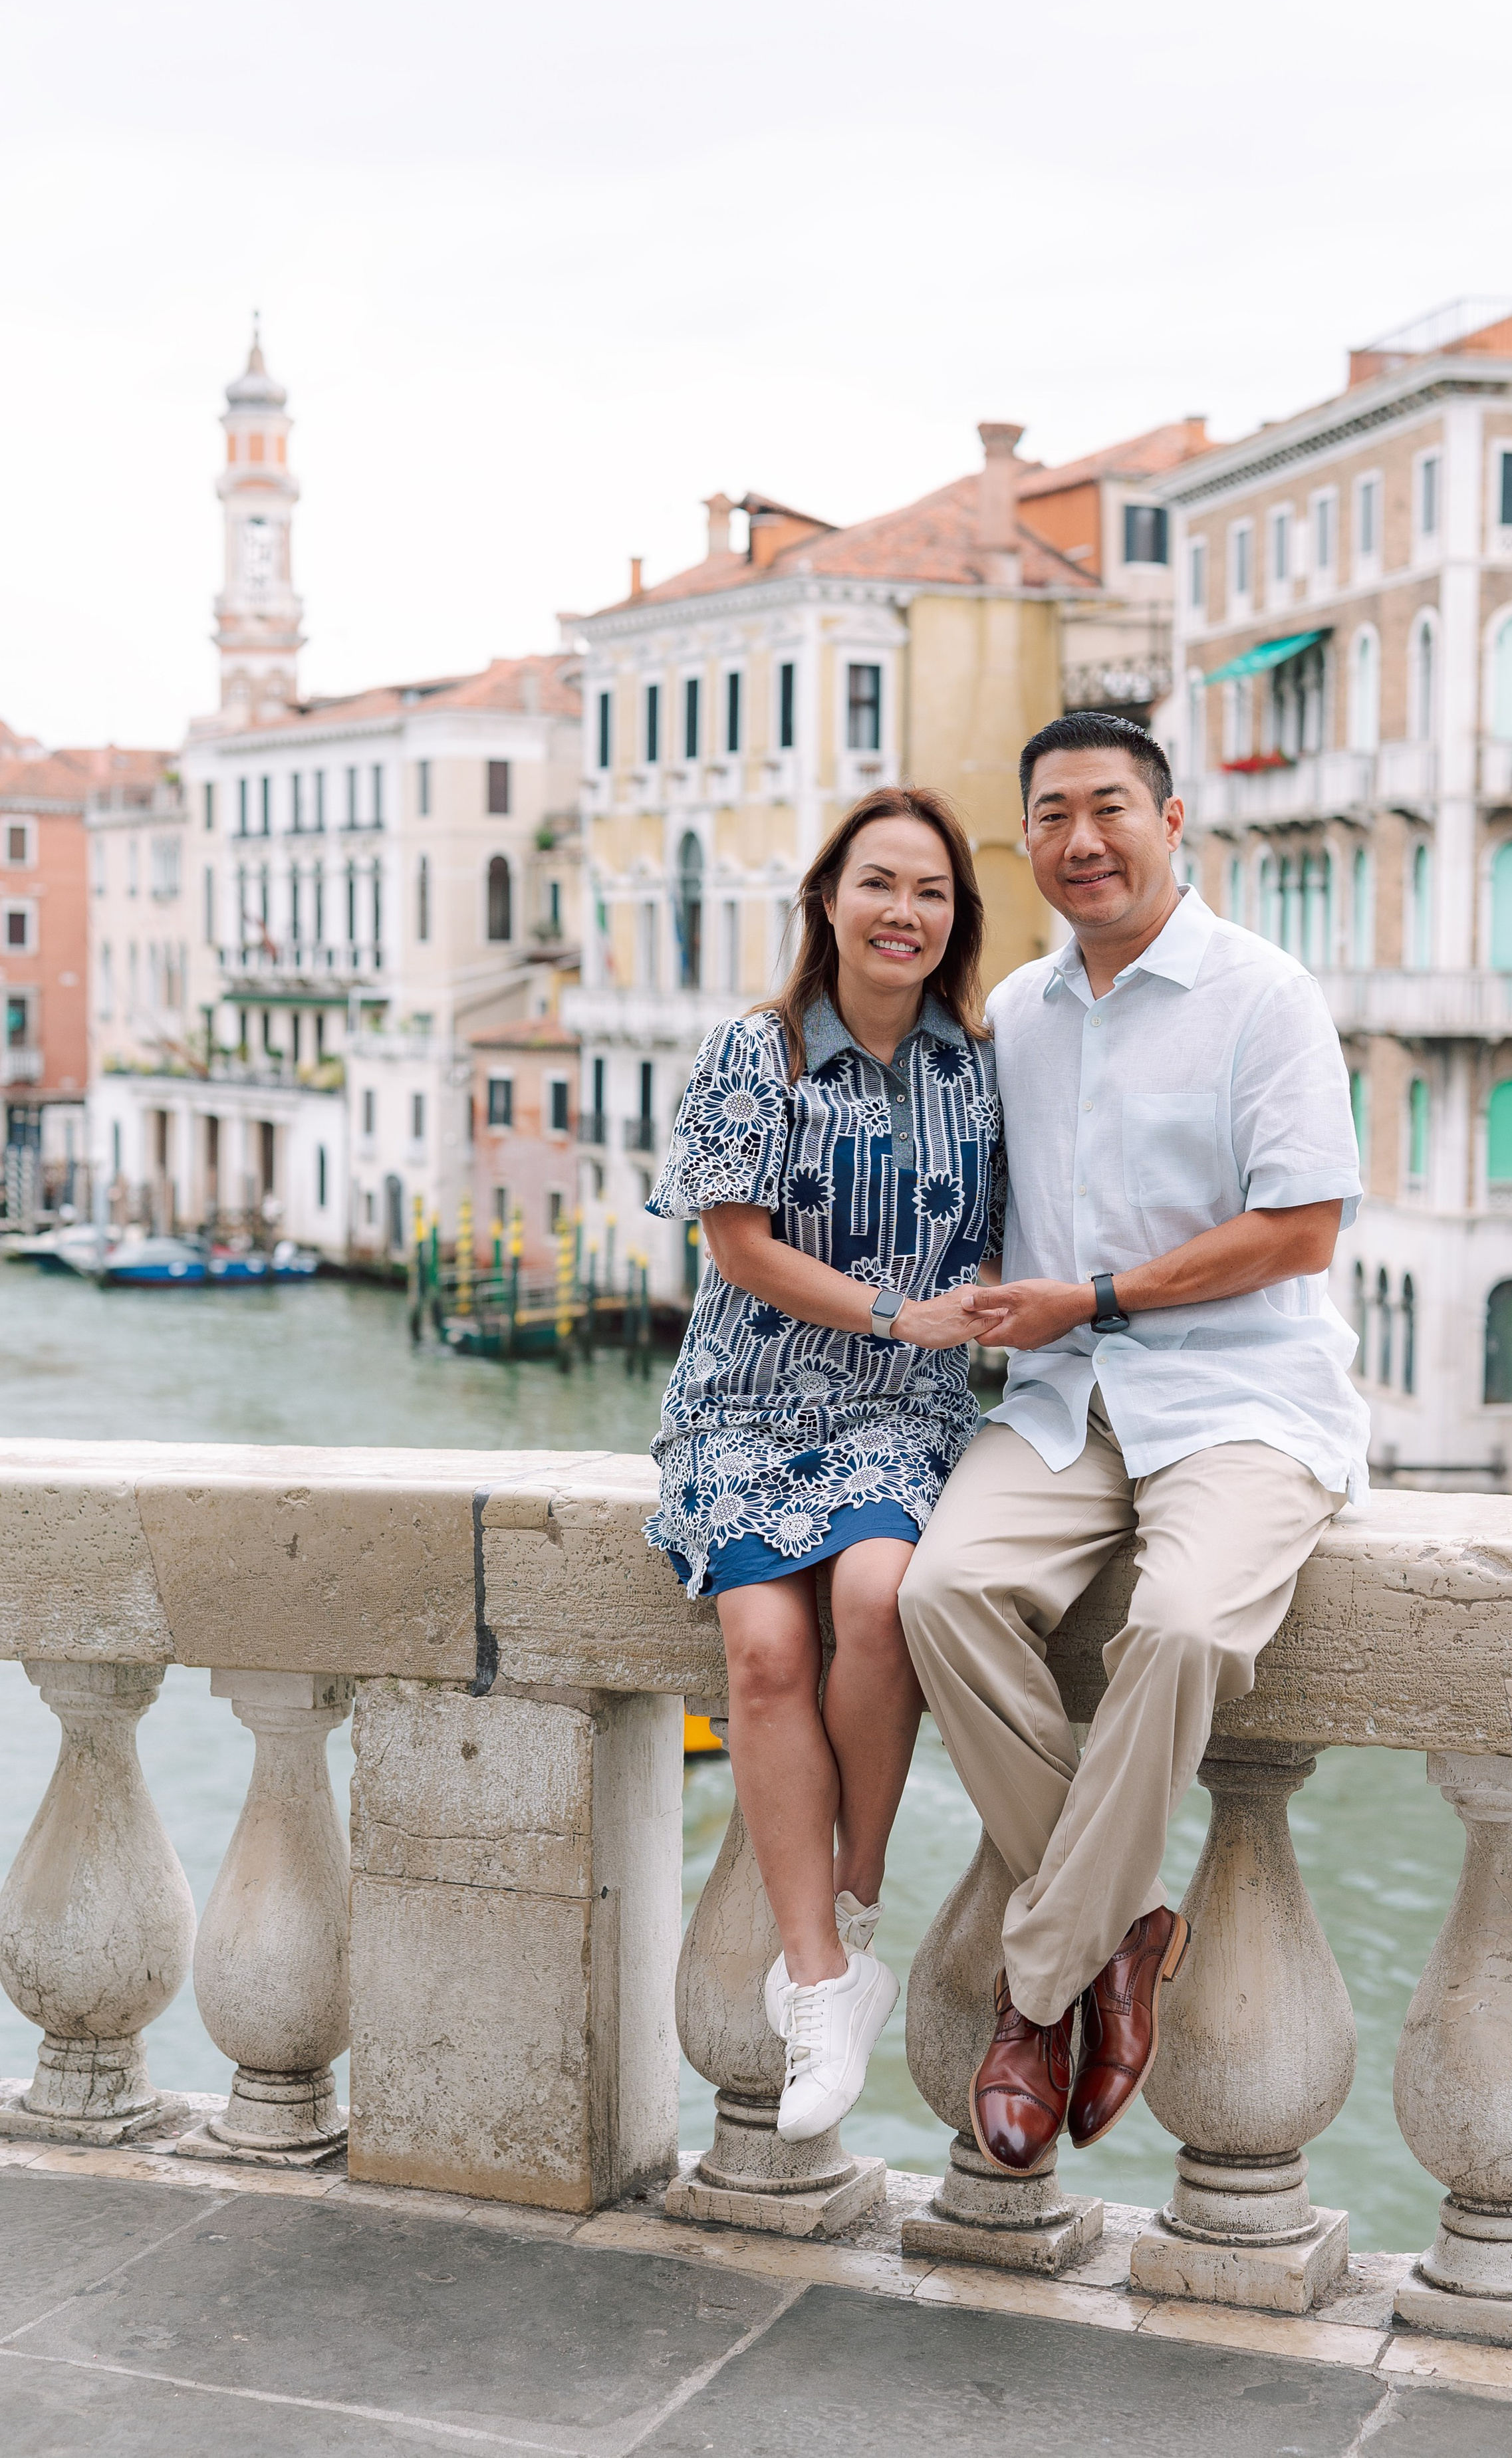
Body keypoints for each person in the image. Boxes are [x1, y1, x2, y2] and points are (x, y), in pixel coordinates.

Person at [898, 711, 1369, 2177]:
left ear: (1175, 827)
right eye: (1049, 815)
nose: (1080, 838)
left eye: (1109, 807)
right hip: (1058, 1400)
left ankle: (1037, 1991)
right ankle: (1122, 1927)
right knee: (938, 1596)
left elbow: (1300, 1225)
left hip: (1241, 1396)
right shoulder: (1017, 1015)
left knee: (1173, 1629)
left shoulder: (1262, 994)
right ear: (1023, 841)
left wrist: (1093, 1295)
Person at [644, 785, 1003, 2142]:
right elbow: (732, 1244)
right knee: (759, 1652)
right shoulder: (757, 1052)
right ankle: (816, 1978)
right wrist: (889, 1308)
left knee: (873, 1600)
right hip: (745, 1401)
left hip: (901, 1413)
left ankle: (853, 1905)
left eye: (929, 891)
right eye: (877, 884)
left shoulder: (974, 1064)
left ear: (951, 918)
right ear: (827, 901)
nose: (901, 912)